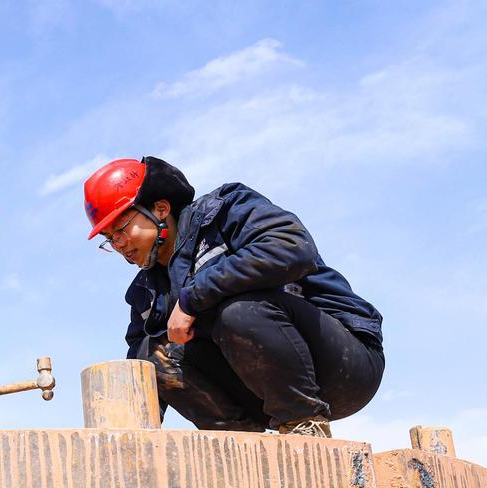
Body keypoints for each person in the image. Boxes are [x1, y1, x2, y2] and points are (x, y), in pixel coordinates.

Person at [83, 156, 383, 437]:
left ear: (161, 209)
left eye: (121, 229)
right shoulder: (144, 294)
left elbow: (291, 247)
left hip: (342, 365)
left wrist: (192, 298)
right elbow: (140, 378)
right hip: (258, 390)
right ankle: (242, 446)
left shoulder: (224, 211)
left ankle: (303, 425)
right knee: (151, 357)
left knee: (237, 311)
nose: (119, 244)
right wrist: (128, 436)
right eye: (110, 239)